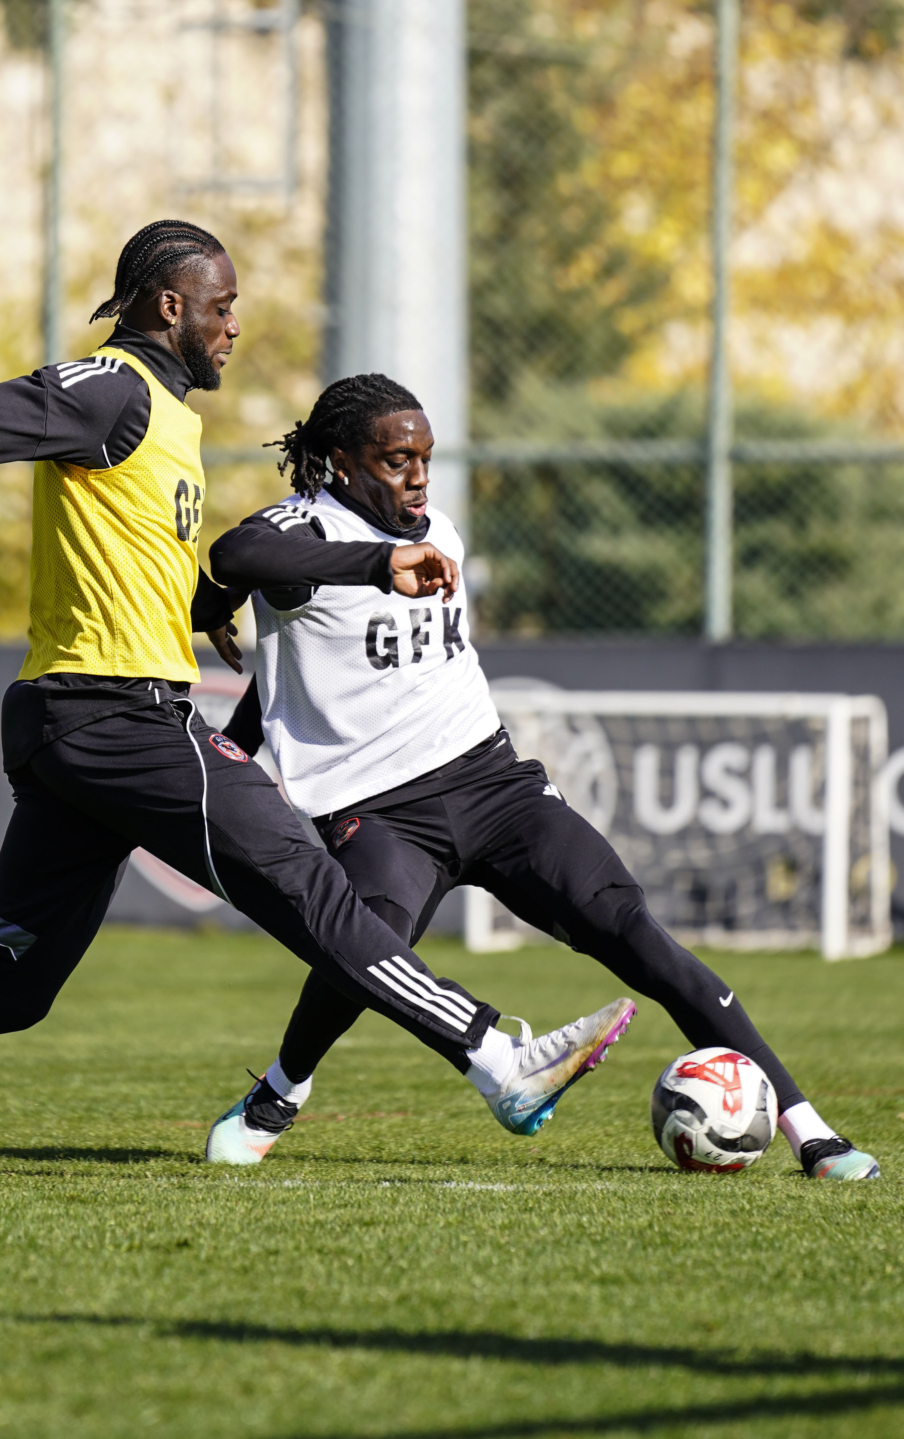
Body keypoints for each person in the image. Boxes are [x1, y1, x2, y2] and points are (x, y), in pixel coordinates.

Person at [0, 223, 629, 1178]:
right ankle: (500, 1063)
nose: (234, 326)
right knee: (314, 889)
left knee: (13, 983)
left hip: (74, 729)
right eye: (222, 307)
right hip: (119, 717)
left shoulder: (167, 416)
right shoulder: (113, 389)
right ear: (169, 306)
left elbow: (139, 551)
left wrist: (205, 605)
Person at [202, 372, 880, 1183]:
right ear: (340, 463)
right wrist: (378, 565)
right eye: (394, 461)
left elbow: (320, 662)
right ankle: (281, 1090)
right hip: (377, 812)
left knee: (637, 935)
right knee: (368, 949)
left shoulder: (436, 528)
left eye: (424, 457)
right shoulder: (307, 534)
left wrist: (257, 720)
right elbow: (237, 554)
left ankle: (809, 1129)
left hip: (495, 787)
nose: (417, 477)